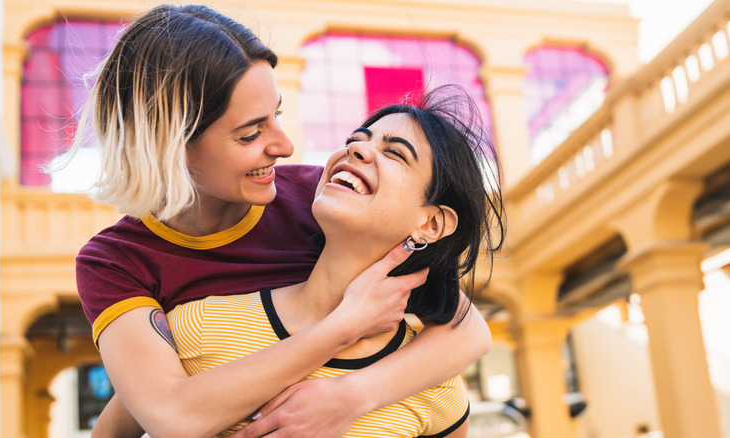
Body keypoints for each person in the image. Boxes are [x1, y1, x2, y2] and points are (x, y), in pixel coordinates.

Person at [69, 4, 495, 438]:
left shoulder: (321, 198)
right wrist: (342, 326)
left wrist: (349, 397)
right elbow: (166, 413)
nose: (285, 146)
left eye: (278, 113)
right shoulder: (121, 265)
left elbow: (467, 332)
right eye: (250, 133)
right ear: (169, 145)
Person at [167, 85, 504, 437]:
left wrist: (352, 396)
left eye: (395, 154)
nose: (356, 148)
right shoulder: (199, 325)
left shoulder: (437, 389)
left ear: (431, 224)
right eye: (356, 139)